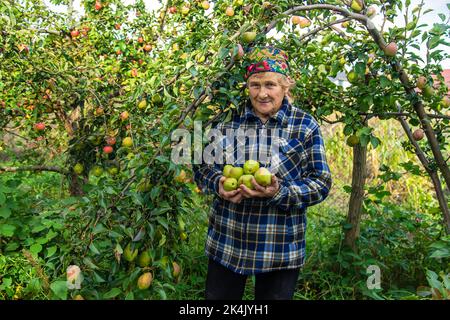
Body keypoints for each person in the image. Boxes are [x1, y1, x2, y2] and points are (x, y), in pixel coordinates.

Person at [193, 46, 332, 300]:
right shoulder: (226, 120)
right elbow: (202, 167)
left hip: (278, 248)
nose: (262, 93)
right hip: (228, 242)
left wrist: (279, 191)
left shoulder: (304, 125)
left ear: (285, 87)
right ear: (247, 86)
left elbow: (321, 183)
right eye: (255, 85)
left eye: (270, 84)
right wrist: (218, 184)